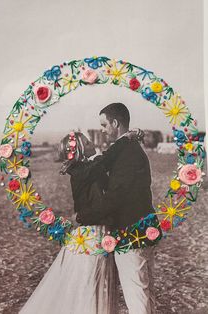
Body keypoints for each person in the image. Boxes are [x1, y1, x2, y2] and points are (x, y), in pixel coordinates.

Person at [19, 132, 119, 314]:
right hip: (91, 230)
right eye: (88, 142)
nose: (92, 144)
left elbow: (106, 183)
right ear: (80, 149)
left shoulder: (86, 169)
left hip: (98, 227)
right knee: (89, 280)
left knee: (96, 279)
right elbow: (100, 167)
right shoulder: (80, 171)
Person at [78, 102, 159, 314]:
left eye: (104, 125)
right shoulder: (129, 149)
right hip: (142, 227)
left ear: (115, 123)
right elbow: (119, 185)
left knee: (137, 293)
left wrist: (85, 216)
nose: (103, 130)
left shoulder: (128, 152)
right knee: (145, 290)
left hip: (131, 231)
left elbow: (117, 196)